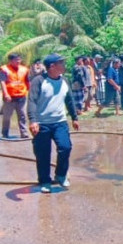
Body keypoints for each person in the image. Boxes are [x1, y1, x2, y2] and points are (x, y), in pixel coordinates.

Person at [27, 53, 79, 194]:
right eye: (61, 63)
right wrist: (33, 120)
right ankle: (45, 181)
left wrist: (74, 117)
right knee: (43, 154)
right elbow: (32, 101)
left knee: (65, 147)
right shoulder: (39, 81)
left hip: (60, 122)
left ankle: (61, 175)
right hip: (42, 124)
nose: (64, 65)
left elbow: (69, 100)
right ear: (52, 66)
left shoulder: (64, 81)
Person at [0, 53, 31, 138]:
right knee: (7, 117)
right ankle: (5, 133)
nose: (18, 61)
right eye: (16, 60)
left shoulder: (24, 69)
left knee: (22, 115)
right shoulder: (4, 69)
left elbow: (27, 81)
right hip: (9, 97)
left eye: (19, 59)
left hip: (21, 96)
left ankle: (24, 133)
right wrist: (6, 94)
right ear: (10, 61)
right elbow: (2, 82)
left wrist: (30, 92)